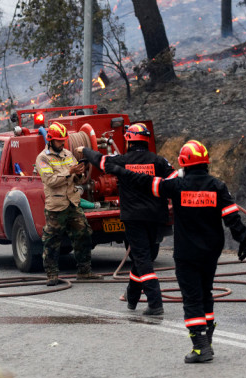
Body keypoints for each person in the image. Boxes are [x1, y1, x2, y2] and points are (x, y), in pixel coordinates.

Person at [106, 140, 246, 363]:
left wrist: (119, 170)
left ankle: (200, 348)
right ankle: (207, 341)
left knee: (192, 299)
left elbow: (145, 182)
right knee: (206, 294)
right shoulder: (217, 186)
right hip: (211, 252)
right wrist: (243, 239)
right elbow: (232, 217)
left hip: (186, 253)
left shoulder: (176, 187)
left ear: (184, 162)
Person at [76, 123, 177, 316]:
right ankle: (132, 297)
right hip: (156, 218)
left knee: (143, 260)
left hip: (134, 218)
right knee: (142, 257)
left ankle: (155, 303)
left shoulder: (122, 160)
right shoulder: (159, 161)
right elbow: (173, 182)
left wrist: (85, 150)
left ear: (129, 140)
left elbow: (101, 161)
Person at [36, 122, 103, 286]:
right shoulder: (43, 158)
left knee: (84, 234)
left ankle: (84, 271)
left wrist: (80, 173)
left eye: (63, 140)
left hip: (73, 203)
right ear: (50, 140)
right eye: (59, 140)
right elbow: (50, 180)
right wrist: (70, 172)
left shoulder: (68, 154)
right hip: (56, 206)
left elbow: (76, 179)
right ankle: (52, 274)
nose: (62, 143)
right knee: (52, 240)